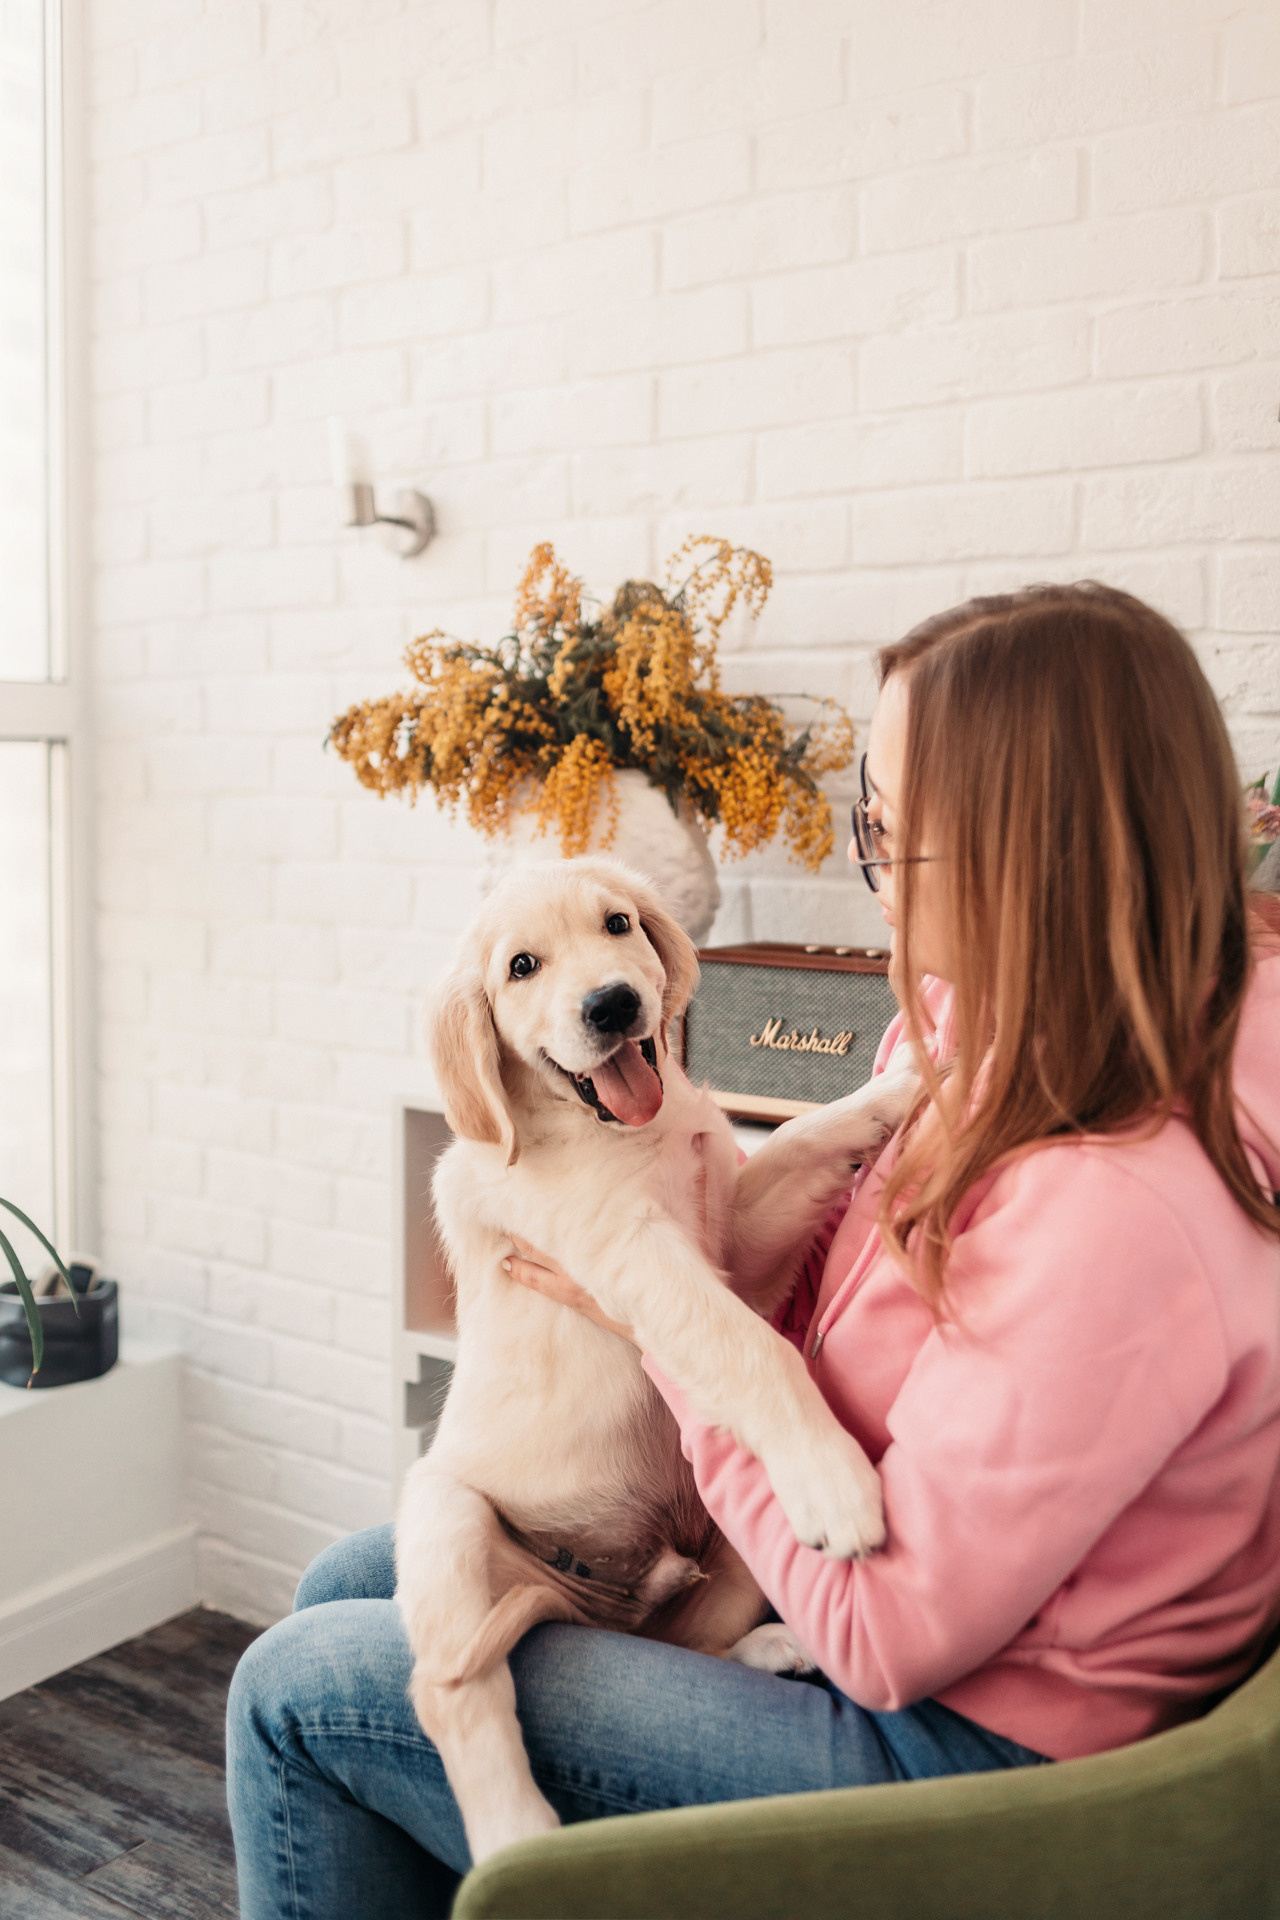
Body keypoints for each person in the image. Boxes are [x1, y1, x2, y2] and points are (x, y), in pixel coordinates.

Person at [227, 583, 1280, 1920]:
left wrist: (658, 1319)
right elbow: (841, 1273)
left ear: (1027, 854)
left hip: (967, 1752)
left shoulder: (1127, 1209)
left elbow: (883, 1634)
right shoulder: (978, 1027)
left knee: (295, 1687)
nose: (870, 867)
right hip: (888, 1600)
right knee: (347, 1583)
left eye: (891, 831)